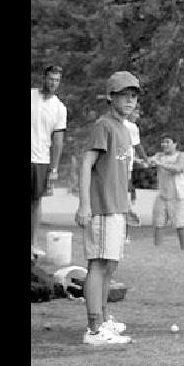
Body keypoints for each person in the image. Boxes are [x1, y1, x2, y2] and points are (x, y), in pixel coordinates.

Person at [75, 71, 140, 345]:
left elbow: (120, 173)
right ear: (110, 97)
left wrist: (127, 205)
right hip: (101, 208)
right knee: (98, 264)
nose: (130, 101)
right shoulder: (104, 125)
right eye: (124, 95)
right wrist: (85, 205)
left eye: (134, 96)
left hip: (117, 207)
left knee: (110, 265)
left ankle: (103, 318)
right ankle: (94, 327)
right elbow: (86, 164)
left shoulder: (124, 129)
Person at [31, 65, 67, 258]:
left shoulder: (59, 108)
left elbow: (58, 141)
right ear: (44, 78)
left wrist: (54, 168)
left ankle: (33, 244)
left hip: (41, 161)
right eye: (51, 79)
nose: (53, 83)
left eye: (57, 80)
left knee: (35, 203)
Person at [147, 136, 184, 250]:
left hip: (178, 195)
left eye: (167, 142)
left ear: (175, 144)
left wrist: (159, 164)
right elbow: (148, 162)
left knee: (180, 224)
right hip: (162, 195)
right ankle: (157, 250)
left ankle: (183, 249)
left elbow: (178, 168)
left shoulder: (181, 155)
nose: (164, 144)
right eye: (162, 142)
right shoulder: (159, 155)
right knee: (158, 223)